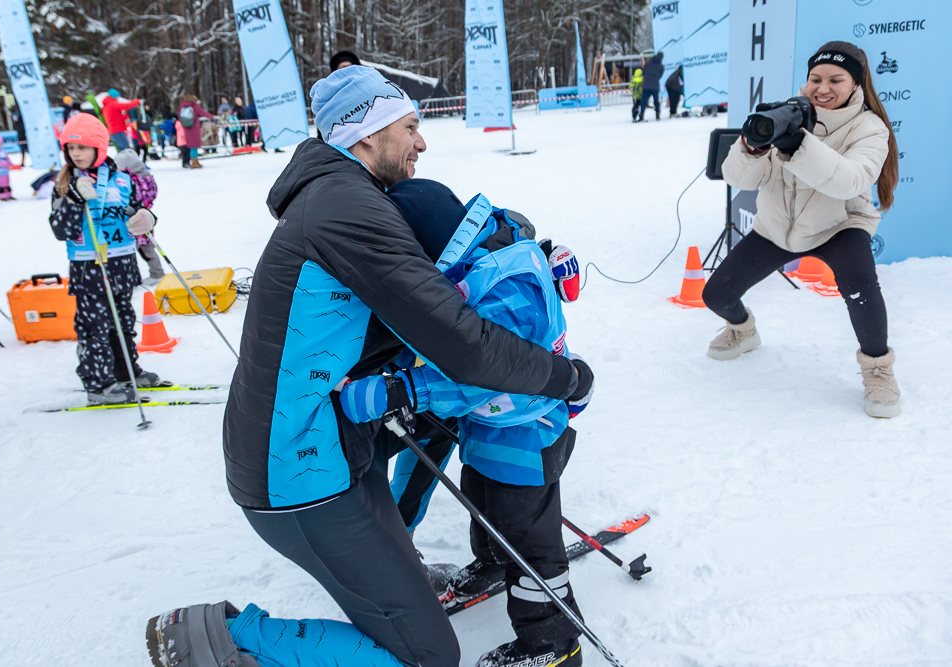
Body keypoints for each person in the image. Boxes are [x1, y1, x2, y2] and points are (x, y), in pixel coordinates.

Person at [146, 65, 586, 667]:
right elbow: (463, 344)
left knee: (439, 417)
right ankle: (226, 637)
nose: (422, 143)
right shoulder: (347, 207)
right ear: (366, 133)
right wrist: (566, 378)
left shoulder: (348, 196)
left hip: (329, 443)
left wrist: (524, 245)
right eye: (410, 127)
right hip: (299, 473)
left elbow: (447, 255)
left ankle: (393, 561)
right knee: (429, 659)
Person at [340, 179, 592, 667]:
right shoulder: (478, 260)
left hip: (527, 436)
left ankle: (554, 643)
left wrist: (407, 391)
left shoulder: (505, 284)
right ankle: (496, 565)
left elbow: (488, 373)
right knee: (483, 503)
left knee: (531, 542)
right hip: (491, 432)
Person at [703, 41, 901, 418]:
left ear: (856, 86)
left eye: (835, 80)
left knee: (861, 287)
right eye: (815, 78)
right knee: (715, 294)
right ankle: (743, 331)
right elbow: (737, 177)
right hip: (778, 225)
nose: (822, 88)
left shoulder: (870, 129)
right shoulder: (783, 115)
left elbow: (851, 181)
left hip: (839, 225)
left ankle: (878, 369)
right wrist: (752, 148)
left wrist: (799, 143)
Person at [48, 113, 164, 404]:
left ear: (98, 148)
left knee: (123, 320)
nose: (76, 154)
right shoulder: (65, 184)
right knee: (94, 326)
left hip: (122, 264)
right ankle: (98, 383)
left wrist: (147, 217)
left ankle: (125, 370)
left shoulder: (123, 180)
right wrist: (74, 199)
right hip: (89, 268)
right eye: (71, 149)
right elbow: (60, 230)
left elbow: (137, 208)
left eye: (82, 148)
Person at [113, 149, 164, 286]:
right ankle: (154, 273)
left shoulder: (131, 181)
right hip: (144, 218)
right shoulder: (147, 178)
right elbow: (151, 195)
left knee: (135, 251)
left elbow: (129, 199)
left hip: (133, 220)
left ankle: (152, 274)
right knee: (147, 248)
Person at [176, 94, 215, 169]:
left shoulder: (181, 106)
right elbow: (203, 113)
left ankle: (195, 161)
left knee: (191, 145)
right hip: (194, 127)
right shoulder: (194, 106)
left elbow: (179, 116)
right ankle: (194, 162)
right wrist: (212, 117)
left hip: (186, 127)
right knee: (195, 145)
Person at [639, 52, 664, 122]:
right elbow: (660, 76)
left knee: (644, 101)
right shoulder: (661, 66)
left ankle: (641, 115)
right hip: (655, 85)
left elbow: (644, 73)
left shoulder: (647, 63)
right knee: (656, 101)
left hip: (646, 85)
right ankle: (657, 114)